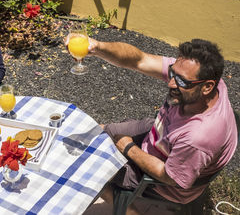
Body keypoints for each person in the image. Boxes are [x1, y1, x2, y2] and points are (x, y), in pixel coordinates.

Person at [66, 37, 237, 214]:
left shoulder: (198, 137)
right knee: (98, 133)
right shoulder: (199, 76)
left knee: (87, 166)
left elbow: (169, 177)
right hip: (160, 135)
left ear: (207, 87)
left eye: (182, 82)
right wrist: (98, 47)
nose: (171, 83)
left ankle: (130, 210)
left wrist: (129, 148)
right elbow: (139, 59)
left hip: (161, 181)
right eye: (172, 73)